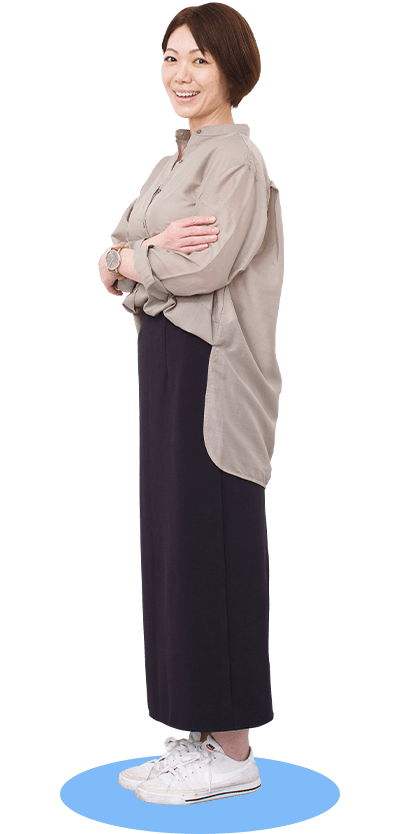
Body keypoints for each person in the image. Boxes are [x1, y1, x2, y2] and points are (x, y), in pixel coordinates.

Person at [98, 3, 284, 806]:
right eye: (172, 57)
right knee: (175, 544)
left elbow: (202, 268)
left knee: (212, 544)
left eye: (200, 59)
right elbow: (112, 252)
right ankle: (201, 739)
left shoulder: (236, 161)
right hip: (167, 357)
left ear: (233, 69)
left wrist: (132, 258)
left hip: (216, 368)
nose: (180, 73)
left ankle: (234, 753)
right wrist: (139, 252)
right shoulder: (172, 162)